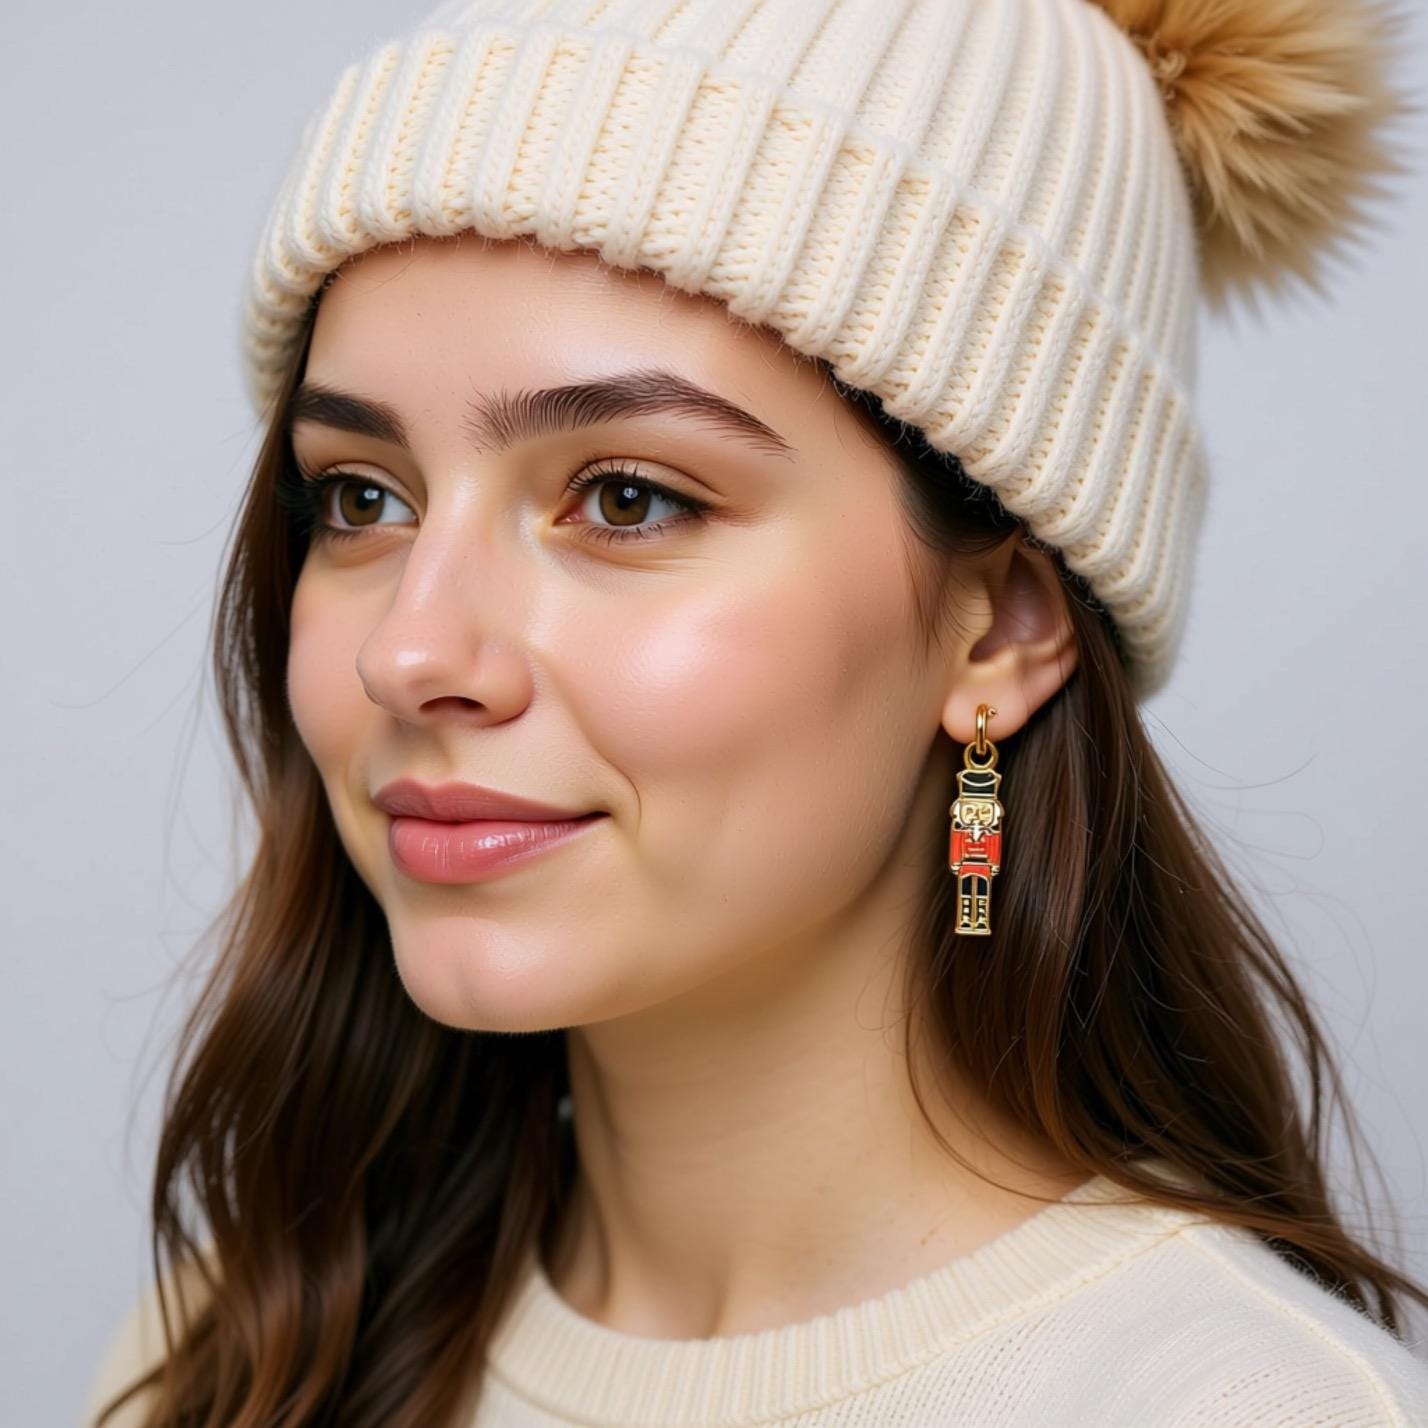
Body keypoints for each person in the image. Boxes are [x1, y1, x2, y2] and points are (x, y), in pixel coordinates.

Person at [86, 0, 1428, 1424]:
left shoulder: (1238, 1405)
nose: (411, 651)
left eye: (627, 499)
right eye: (364, 499)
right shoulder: (234, 1350)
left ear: (1005, 626)